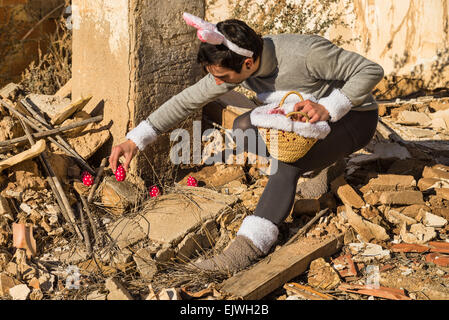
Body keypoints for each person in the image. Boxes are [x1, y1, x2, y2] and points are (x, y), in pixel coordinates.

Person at [109, 12, 384, 272]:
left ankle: (246, 249)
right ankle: (322, 165)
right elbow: (186, 100)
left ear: (248, 64)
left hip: (355, 119)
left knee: (287, 165)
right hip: (307, 123)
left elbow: (371, 70)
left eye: (223, 78)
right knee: (243, 128)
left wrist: (328, 106)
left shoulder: (305, 54)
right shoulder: (234, 61)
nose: (217, 84)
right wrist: (136, 140)